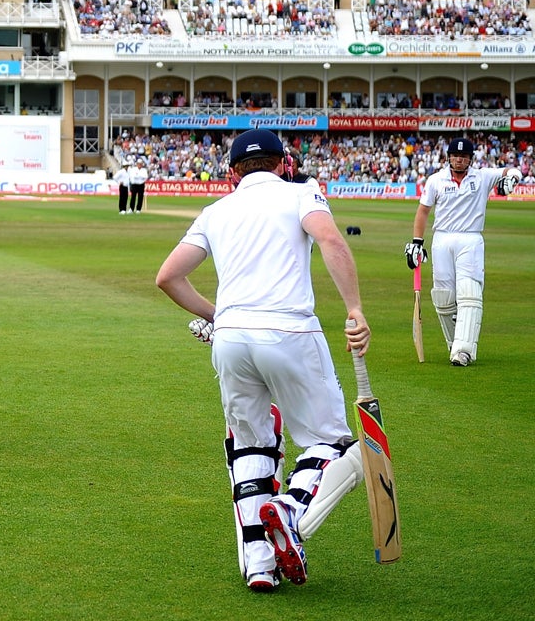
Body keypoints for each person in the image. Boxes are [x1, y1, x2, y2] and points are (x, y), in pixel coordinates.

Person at [156, 129, 371, 592]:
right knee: (332, 443)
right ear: (283, 163)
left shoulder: (216, 211)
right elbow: (330, 241)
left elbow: (168, 277)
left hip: (230, 340)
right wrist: (354, 308)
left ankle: (259, 564)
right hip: (290, 330)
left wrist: (222, 316)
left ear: (233, 172)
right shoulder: (302, 193)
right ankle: (290, 510)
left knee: (251, 446)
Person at [405, 137, 521, 367]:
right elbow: (423, 212)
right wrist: (417, 242)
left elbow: (512, 169)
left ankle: (464, 349)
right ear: (449, 157)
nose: (459, 160)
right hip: (442, 239)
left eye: (464, 156)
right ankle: (454, 343)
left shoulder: (483, 176)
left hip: (470, 238)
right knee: (443, 297)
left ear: (470, 159)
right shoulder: (436, 180)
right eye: (456, 156)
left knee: (469, 293)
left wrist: (513, 179)